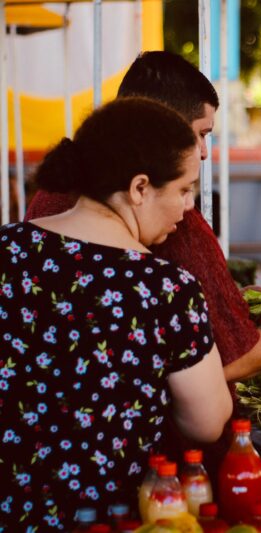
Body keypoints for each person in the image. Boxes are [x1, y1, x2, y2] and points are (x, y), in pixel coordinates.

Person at [0, 98, 233, 529]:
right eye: (184, 190)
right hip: (102, 520)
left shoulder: (7, 249)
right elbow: (208, 422)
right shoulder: (165, 289)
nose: (188, 208)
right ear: (139, 187)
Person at [25, 51, 261, 380]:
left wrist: (229, 302)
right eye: (201, 133)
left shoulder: (40, 208)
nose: (202, 151)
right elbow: (227, 366)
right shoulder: (175, 232)